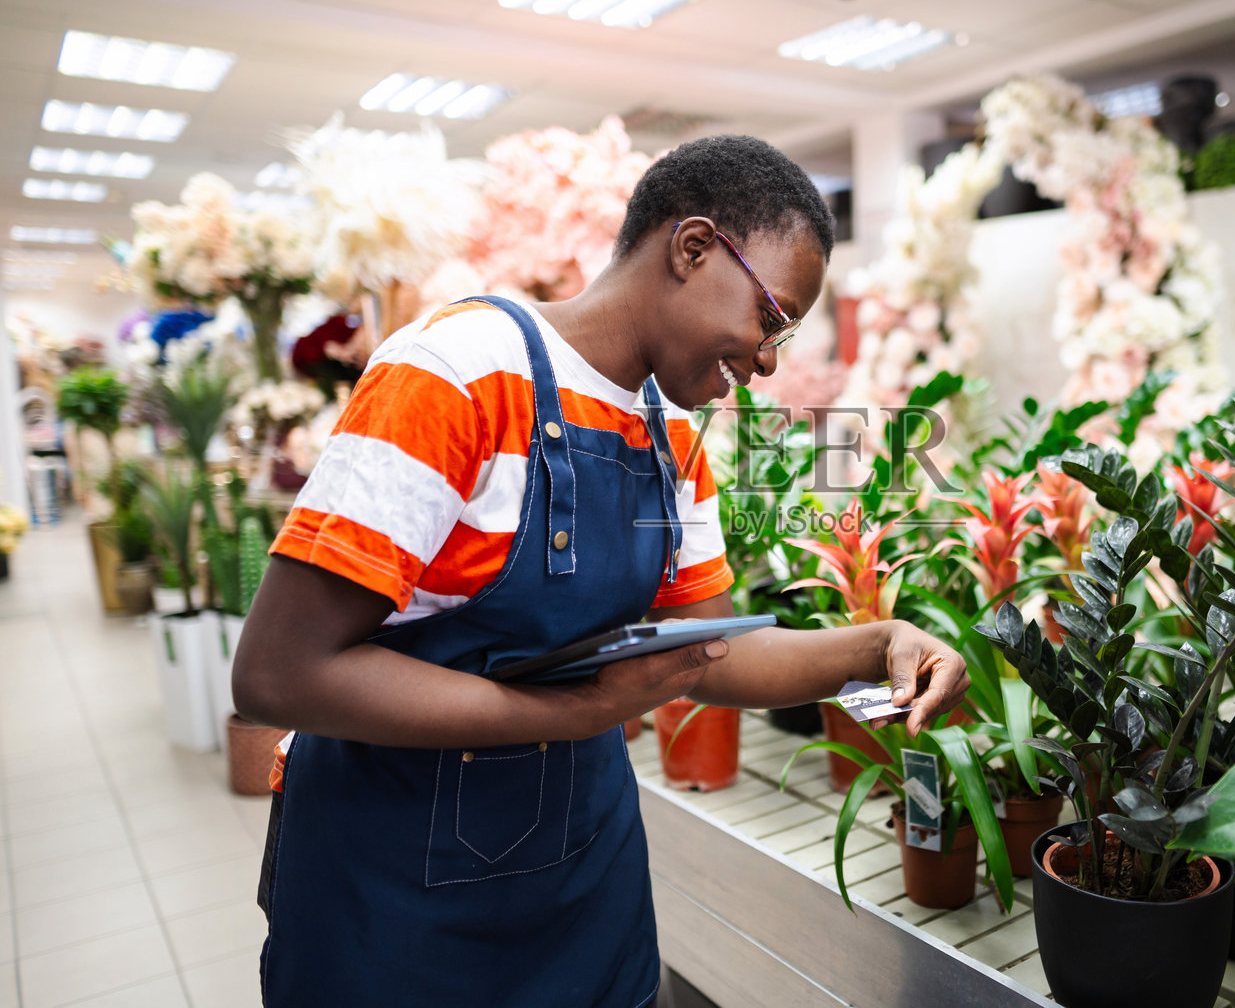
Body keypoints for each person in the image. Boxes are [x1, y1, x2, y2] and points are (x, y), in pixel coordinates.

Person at [233, 134, 971, 1008]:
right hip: (395, 912)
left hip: (586, 893)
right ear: (692, 248)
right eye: (771, 315)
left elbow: (716, 650)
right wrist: (564, 711)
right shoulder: (455, 374)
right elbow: (280, 671)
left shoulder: (668, 435)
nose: (769, 358)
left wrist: (878, 643)